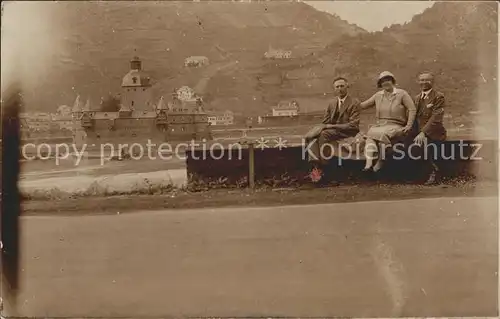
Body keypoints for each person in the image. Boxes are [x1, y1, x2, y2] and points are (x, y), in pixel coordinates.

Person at [304, 76, 360, 183]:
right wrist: (320, 128)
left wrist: (331, 127)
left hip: (348, 131)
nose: (340, 89)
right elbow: (325, 122)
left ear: (347, 87)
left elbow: (353, 125)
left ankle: (323, 167)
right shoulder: (332, 103)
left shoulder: (354, 102)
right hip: (332, 132)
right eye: (337, 87)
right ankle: (316, 167)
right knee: (312, 137)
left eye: (342, 86)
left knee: (323, 135)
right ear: (334, 89)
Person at [360, 71, 416, 172]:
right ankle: (368, 166)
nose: (386, 83)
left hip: (396, 125)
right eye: (383, 81)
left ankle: (380, 162)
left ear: (392, 81)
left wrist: (409, 125)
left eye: (388, 80)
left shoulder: (402, 93)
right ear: (380, 84)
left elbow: (412, 109)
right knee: (370, 138)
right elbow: (362, 106)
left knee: (377, 134)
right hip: (380, 126)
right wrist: (349, 105)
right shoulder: (378, 95)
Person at [412, 71, 447, 184]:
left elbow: (436, 118)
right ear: (418, 82)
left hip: (434, 131)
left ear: (432, 82)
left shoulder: (438, 97)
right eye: (421, 80)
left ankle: (434, 173)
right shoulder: (417, 98)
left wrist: (423, 133)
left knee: (426, 145)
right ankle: (412, 173)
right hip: (419, 131)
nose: (424, 82)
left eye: (427, 80)